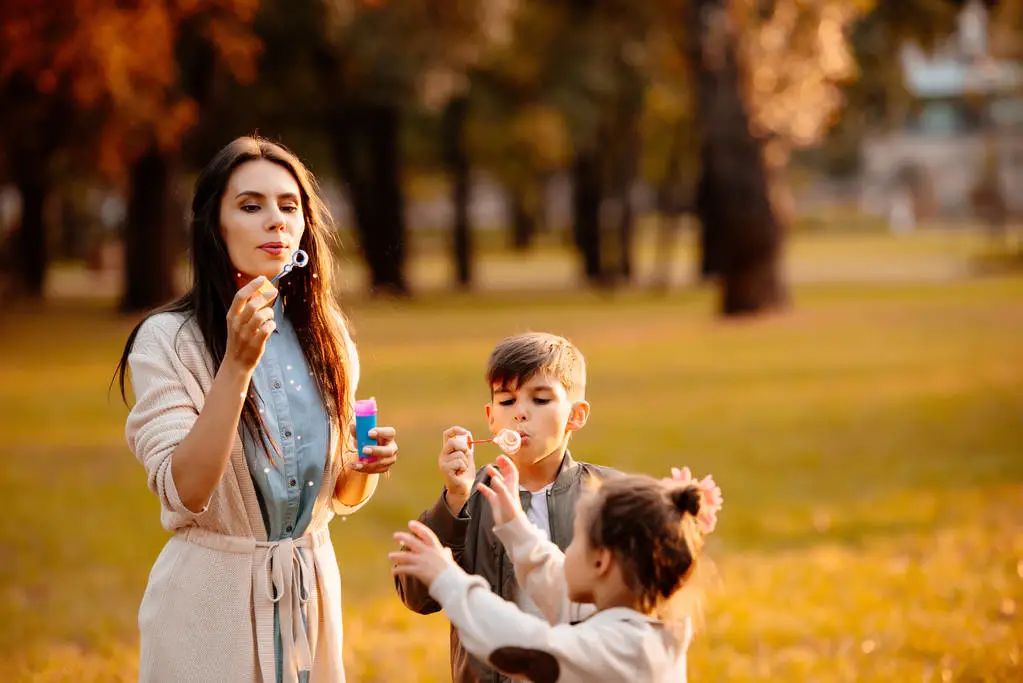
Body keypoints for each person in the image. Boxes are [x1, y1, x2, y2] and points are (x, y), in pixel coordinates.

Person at [115, 136, 398, 682]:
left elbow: (336, 497)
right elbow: (187, 490)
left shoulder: (327, 335)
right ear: (214, 227)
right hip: (209, 611)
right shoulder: (167, 342)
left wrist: (361, 468)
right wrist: (236, 367)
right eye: (250, 206)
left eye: (289, 206)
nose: (275, 221)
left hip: (309, 601)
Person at [394, 332, 615, 682]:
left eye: (540, 400)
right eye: (507, 402)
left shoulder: (609, 498)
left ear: (577, 415)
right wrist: (454, 501)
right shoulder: (471, 498)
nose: (521, 414)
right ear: (490, 417)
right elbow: (417, 596)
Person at [390, 457, 722, 682]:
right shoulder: (644, 620)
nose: (567, 548)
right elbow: (556, 585)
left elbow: (522, 644)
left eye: (576, 540)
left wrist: (450, 582)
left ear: (601, 562)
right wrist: (515, 526)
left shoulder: (625, 650)